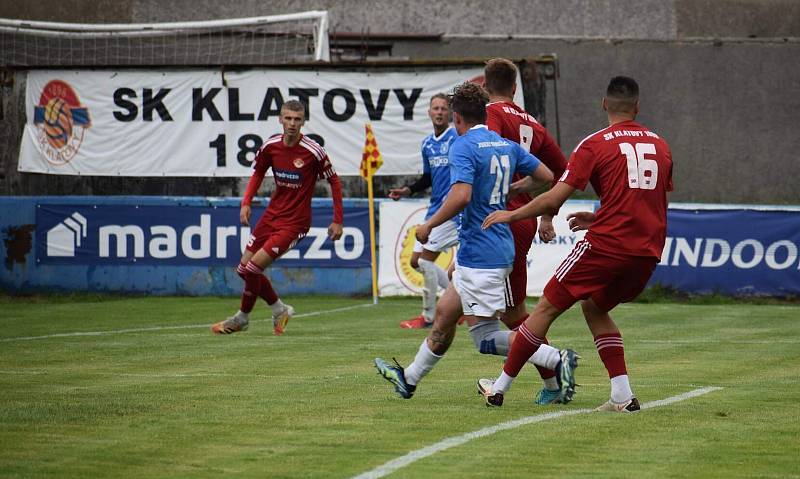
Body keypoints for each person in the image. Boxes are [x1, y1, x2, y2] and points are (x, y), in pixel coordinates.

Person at [478, 76, 673, 412]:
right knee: (594, 307)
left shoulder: (595, 143)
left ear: (603, 104)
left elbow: (555, 195)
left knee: (544, 309)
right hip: (646, 252)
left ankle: (498, 387)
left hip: (605, 247)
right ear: (637, 107)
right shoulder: (661, 145)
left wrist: (512, 215)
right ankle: (622, 396)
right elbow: (647, 203)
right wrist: (598, 218)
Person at [374, 82, 575, 401]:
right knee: (444, 314)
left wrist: (429, 223)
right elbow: (546, 175)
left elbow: (462, 195)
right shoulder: (503, 143)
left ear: (456, 118)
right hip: (488, 249)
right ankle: (408, 379)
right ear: (484, 112)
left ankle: (557, 359)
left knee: (485, 338)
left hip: (482, 253)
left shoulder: (463, 145)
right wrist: (511, 191)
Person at [480, 57, 571, 404]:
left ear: (486, 87)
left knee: (513, 314)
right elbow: (564, 173)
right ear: (515, 88)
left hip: (502, 221)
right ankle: (550, 381)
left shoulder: (492, 117)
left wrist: (512, 191)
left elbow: (489, 160)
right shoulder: (532, 122)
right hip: (524, 219)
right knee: (507, 311)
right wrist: (548, 214)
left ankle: (555, 372)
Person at [211, 100, 344, 336]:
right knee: (243, 270)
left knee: (252, 268)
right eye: (288, 118)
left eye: (297, 119)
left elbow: (334, 180)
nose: (292, 123)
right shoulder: (271, 145)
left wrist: (338, 219)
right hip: (271, 215)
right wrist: (246, 203)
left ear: (303, 122)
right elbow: (258, 172)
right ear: (280, 119)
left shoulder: (313, 151)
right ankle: (279, 309)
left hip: (295, 223)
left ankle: (241, 318)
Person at [388, 94, 459, 329]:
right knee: (417, 260)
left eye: (443, 108)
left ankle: (429, 317)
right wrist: (406, 190)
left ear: (450, 113)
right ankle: (459, 302)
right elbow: (428, 177)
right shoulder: (428, 144)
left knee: (426, 260)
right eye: (435, 108)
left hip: (452, 211)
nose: (439, 112)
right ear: (429, 113)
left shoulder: (456, 138)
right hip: (434, 208)